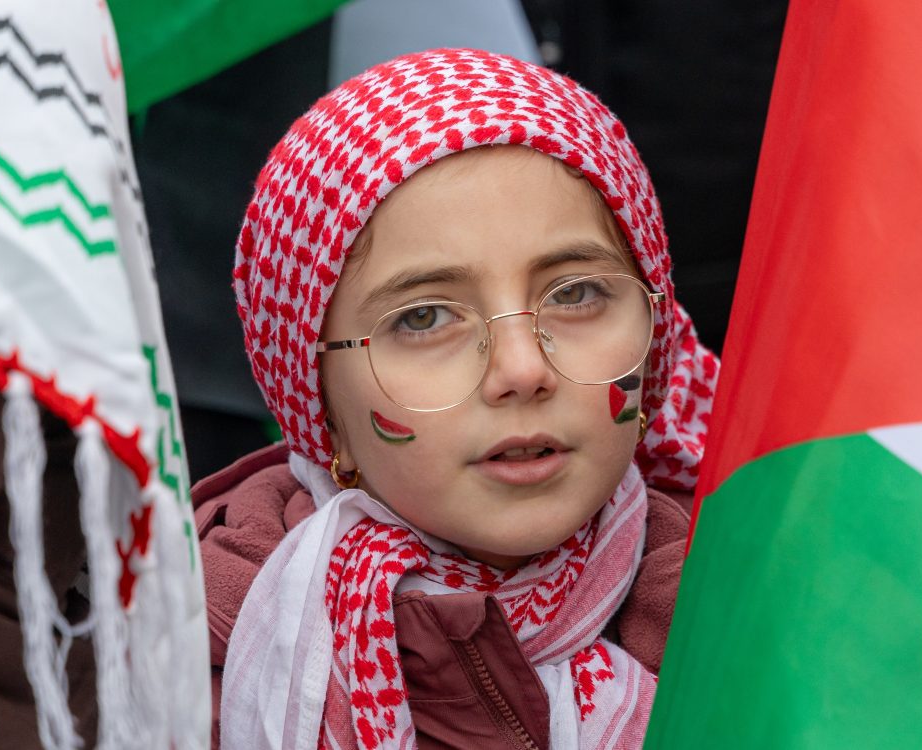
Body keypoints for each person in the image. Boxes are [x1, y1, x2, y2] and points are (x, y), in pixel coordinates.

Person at [195, 48, 719, 748]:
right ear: (320, 408)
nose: (522, 370)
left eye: (576, 293)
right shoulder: (194, 672)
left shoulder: (758, 607)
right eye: (424, 318)